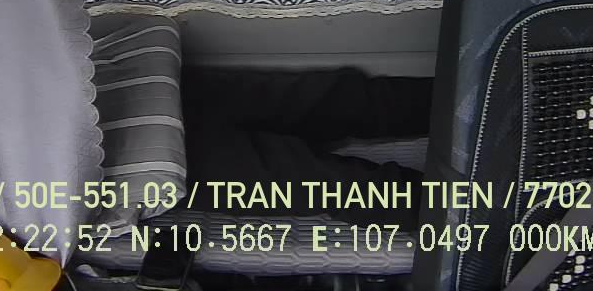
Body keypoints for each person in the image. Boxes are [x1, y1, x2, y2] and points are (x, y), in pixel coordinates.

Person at [179, 67, 432, 230]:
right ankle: (450, 207)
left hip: (168, 96)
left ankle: (450, 108)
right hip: (165, 161)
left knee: (337, 103)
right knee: (333, 186)